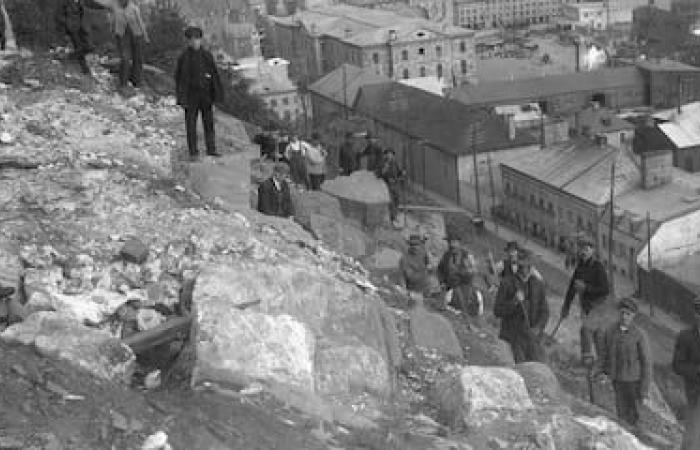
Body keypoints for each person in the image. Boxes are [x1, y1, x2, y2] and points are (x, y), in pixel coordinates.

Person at [594, 297, 652, 430]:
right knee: (621, 415)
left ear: (634, 316)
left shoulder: (639, 335)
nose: (624, 317)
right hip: (617, 380)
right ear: (618, 313)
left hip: (634, 383)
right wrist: (598, 371)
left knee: (634, 417)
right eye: (622, 313)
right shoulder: (610, 331)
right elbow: (604, 355)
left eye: (628, 314)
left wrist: (644, 390)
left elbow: (646, 364)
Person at [560, 235, 610, 367]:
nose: (583, 252)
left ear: (592, 250)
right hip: (586, 306)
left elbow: (605, 289)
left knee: (586, 330)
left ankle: (586, 361)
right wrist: (566, 306)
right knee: (597, 335)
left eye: (587, 249)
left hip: (598, 306)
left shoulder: (598, 267)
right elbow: (572, 287)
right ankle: (603, 363)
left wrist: (586, 288)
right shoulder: (580, 266)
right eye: (581, 249)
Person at [175, 26, 223, 161]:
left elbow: (214, 75)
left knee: (209, 124)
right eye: (191, 39)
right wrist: (181, 97)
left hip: (205, 95)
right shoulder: (183, 57)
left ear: (200, 40)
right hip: (190, 97)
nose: (194, 42)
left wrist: (217, 94)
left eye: (197, 39)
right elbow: (179, 79)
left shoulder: (207, 56)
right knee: (191, 125)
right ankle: (193, 152)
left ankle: (211, 149)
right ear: (187, 41)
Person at [494, 250, 549, 363]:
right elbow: (497, 310)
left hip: (532, 337)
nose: (525, 269)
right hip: (512, 337)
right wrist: (514, 302)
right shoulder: (507, 283)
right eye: (522, 266)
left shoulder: (538, 284)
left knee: (541, 367)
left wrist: (538, 328)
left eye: (528, 266)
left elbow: (545, 311)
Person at [57, 0, 108, 74]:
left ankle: (70, 57)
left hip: (81, 27)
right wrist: (66, 26)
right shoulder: (65, 3)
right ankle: (85, 70)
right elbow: (59, 16)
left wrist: (106, 6)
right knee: (79, 47)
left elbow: (92, 4)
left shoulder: (80, 2)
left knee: (89, 47)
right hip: (71, 28)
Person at [112, 0, 149, 88]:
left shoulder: (133, 7)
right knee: (125, 58)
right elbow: (113, 20)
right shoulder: (114, 5)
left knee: (138, 58)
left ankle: (136, 81)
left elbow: (140, 23)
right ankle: (123, 83)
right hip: (123, 35)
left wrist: (145, 36)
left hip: (136, 34)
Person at [672, 297, 700, 410]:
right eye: (699, 312)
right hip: (694, 393)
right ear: (696, 314)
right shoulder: (685, 337)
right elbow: (677, 366)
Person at [399, 234, 430, 304]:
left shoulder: (423, 253)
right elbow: (402, 276)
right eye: (412, 245)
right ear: (409, 246)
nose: (414, 247)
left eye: (417, 245)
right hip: (412, 289)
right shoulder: (404, 258)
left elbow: (428, 265)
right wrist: (404, 290)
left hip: (425, 287)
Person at [378, 148, 404, 224]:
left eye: (391, 154)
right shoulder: (383, 163)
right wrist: (384, 169)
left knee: (397, 200)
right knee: (391, 201)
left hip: (395, 184)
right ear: (385, 155)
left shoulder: (395, 163)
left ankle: (395, 216)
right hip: (387, 184)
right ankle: (392, 218)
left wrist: (402, 173)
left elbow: (398, 172)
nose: (389, 155)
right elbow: (380, 174)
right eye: (388, 154)